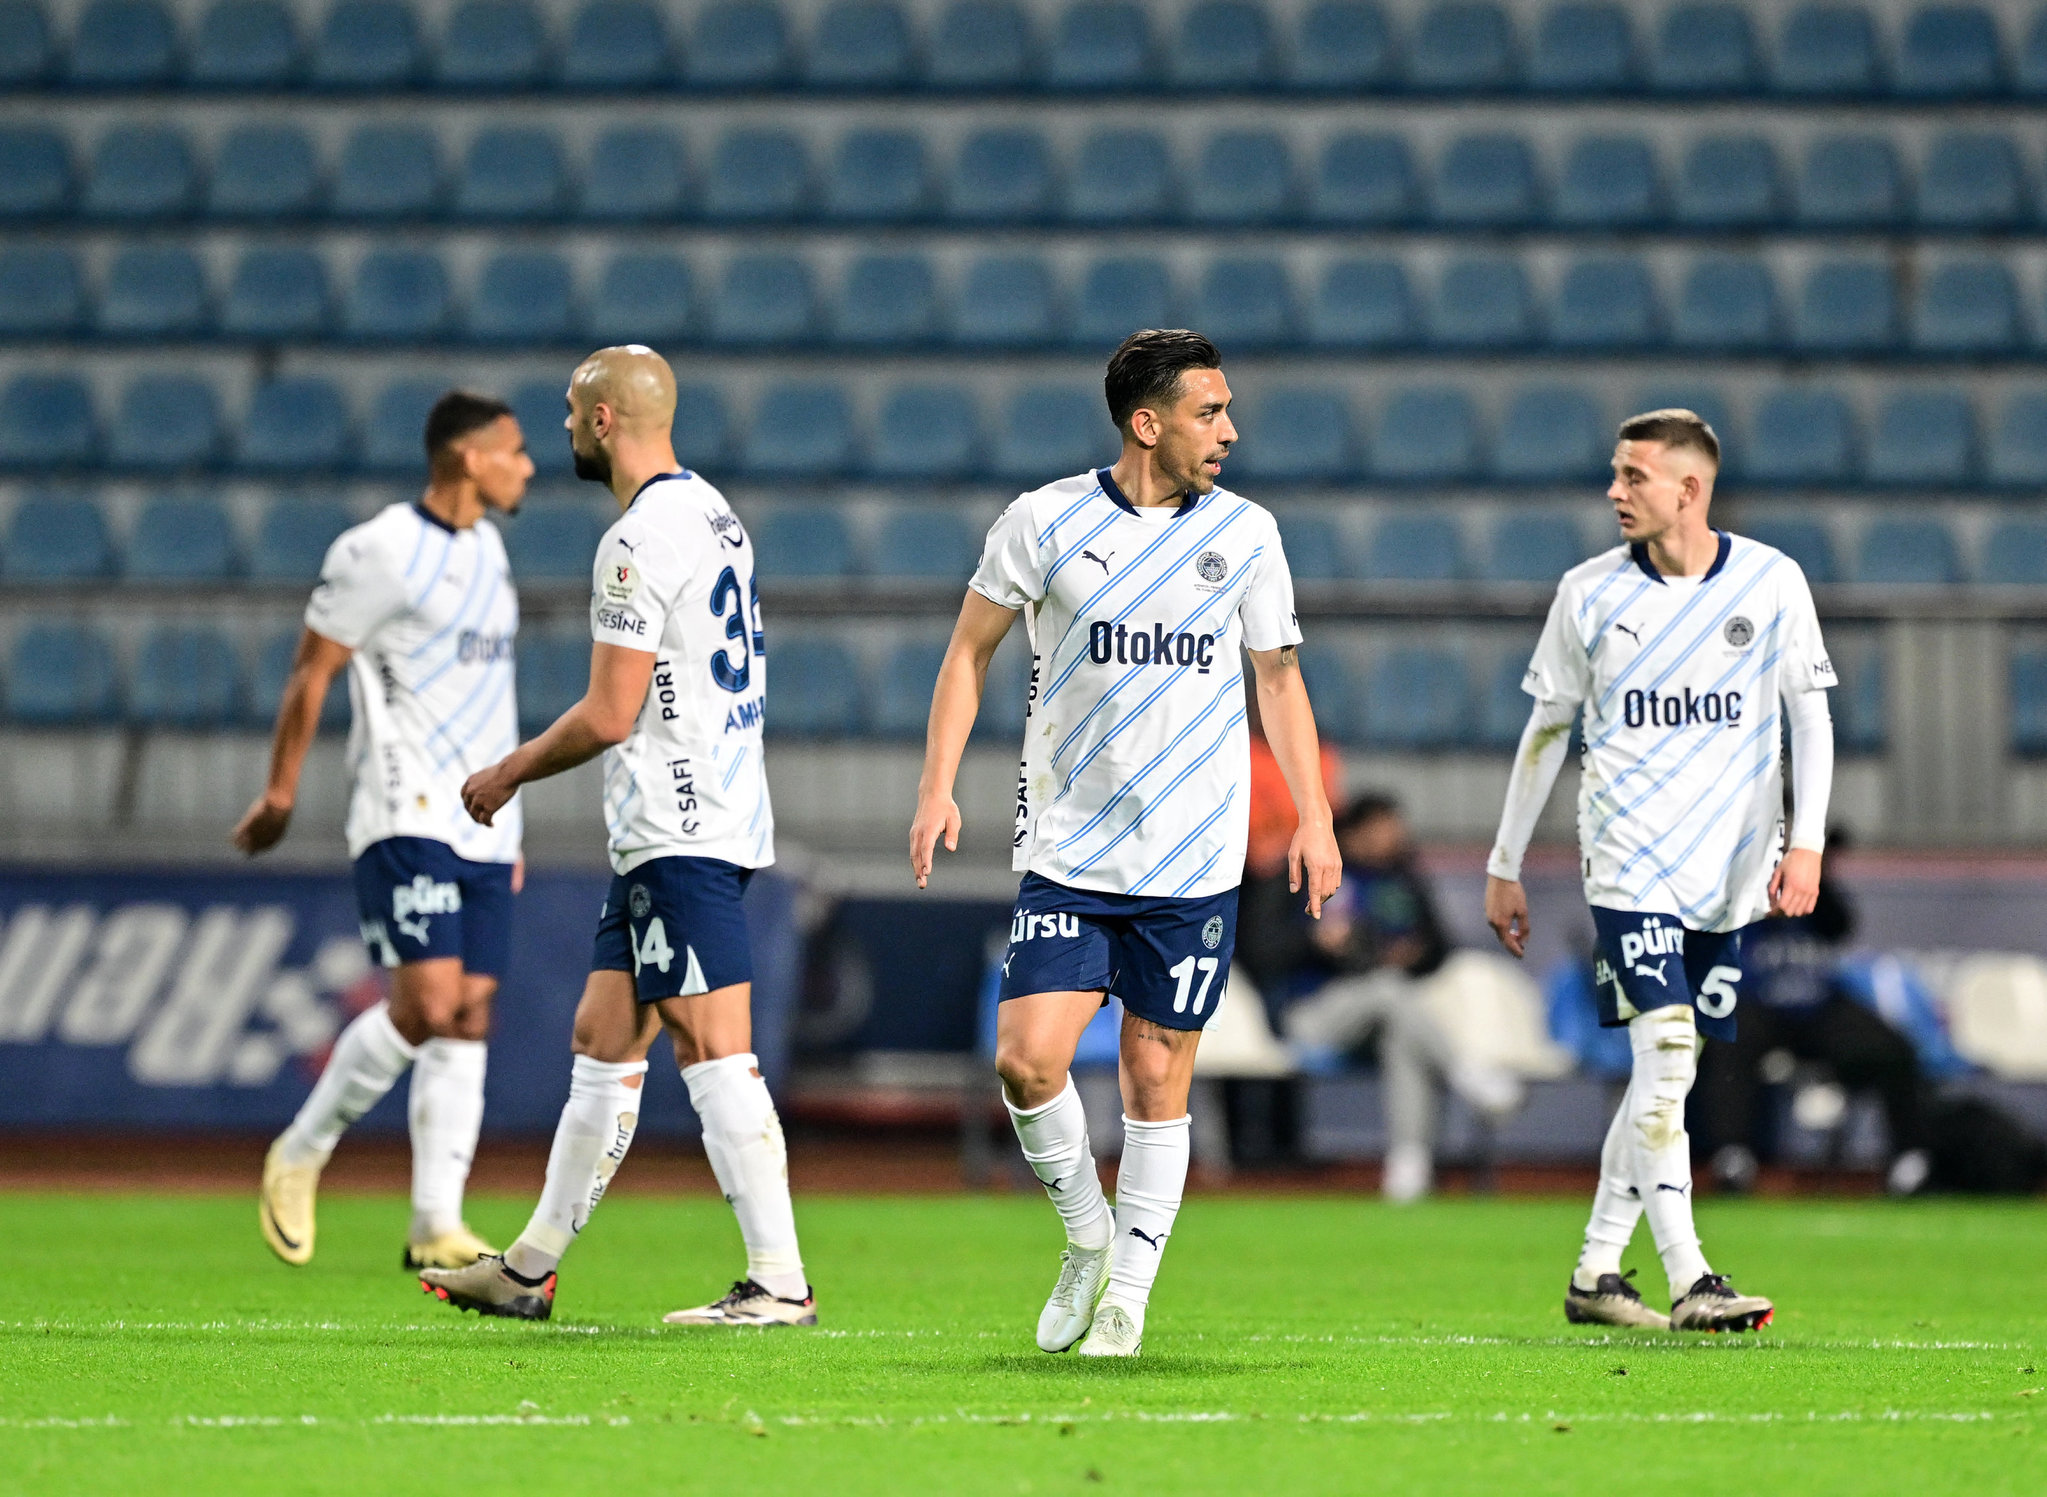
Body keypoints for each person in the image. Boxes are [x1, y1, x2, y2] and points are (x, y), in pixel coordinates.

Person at [910, 328, 1341, 1358]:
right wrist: (937, 784)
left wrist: (1316, 818)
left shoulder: (1247, 535)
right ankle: (1083, 1236)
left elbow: (1277, 679)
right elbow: (968, 652)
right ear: (1146, 423)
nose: (1230, 431)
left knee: (1156, 1081)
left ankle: (1127, 1299)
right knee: (1025, 1062)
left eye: (1228, 411)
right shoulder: (1043, 522)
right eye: (1210, 412)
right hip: (1068, 847)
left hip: (1193, 861)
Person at [419, 345, 811, 1329]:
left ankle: (778, 1282)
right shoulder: (713, 512)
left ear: (603, 420)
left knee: (713, 1046)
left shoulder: (637, 539)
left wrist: (504, 772)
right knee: (604, 1035)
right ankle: (527, 1270)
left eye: (566, 410)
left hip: (681, 822)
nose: (558, 428)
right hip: (693, 815)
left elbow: (608, 712)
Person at [1483, 408, 1835, 1334]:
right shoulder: (1588, 594)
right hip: (1626, 865)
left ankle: (1597, 1270)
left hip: (1726, 874)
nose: (1613, 491)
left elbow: (1811, 717)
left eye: (1632, 476)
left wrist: (1806, 843)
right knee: (1667, 1053)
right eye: (1613, 474)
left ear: (1689, 487)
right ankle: (1691, 1277)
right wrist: (1503, 860)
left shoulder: (1770, 580)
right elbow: (1547, 730)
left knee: (1660, 1078)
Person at [238, 390, 532, 1271]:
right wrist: (281, 790)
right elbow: (311, 671)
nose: (526, 466)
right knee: (426, 1002)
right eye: (512, 451)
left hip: (485, 820)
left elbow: (489, 695)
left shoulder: (489, 548)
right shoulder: (378, 551)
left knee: (470, 1011)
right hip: (405, 804)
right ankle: (300, 1151)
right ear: (468, 458)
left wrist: (510, 828)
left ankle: (435, 1221)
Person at [1267, 794, 1520, 1201]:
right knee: (1388, 989)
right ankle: (1464, 1070)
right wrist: (1316, 942)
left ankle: (1409, 1168)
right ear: (1354, 832)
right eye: (1383, 827)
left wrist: (1414, 954)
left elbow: (1441, 946)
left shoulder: (1403, 877)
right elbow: (1262, 949)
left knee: (1401, 1034)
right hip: (1313, 1012)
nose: (1394, 837)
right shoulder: (1306, 867)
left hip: (1385, 1014)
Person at [1692, 835, 1933, 1196]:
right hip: (1761, 1002)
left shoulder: (1815, 880)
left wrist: (1815, 874)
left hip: (1817, 1004)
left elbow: (1840, 925)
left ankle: (1910, 1160)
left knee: (1892, 1048)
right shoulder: (1739, 876)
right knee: (1727, 1041)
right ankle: (1733, 1157)